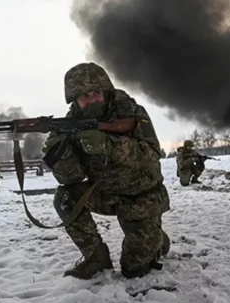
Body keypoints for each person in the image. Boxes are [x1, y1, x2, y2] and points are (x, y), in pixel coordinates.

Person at [42, 62, 171, 280]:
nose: (91, 100)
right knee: (66, 197)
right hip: (103, 194)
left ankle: (156, 239)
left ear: (106, 90)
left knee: (134, 271)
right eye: (84, 97)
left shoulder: (130, 112)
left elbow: (151, 154)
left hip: (141, 198)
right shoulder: (70, 123)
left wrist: (107, 144)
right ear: (74, 100)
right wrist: (60, 154)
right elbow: (72, 178)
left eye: (95, 93)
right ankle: (96, 258)